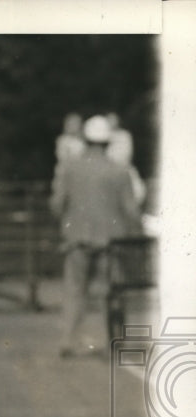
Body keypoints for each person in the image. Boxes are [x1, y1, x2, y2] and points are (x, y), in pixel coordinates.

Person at [49, 114, 143, 358]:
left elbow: (57, 203)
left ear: (85, 139)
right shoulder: (119, 171)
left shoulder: (69, 168)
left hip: (76, 237)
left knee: (74, 290)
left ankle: (68, 341)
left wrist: (66, 222)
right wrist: (137, 232)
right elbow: (130, 209)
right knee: (108, 292)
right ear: (108, 142)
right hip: (111, 239)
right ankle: (108, 342)